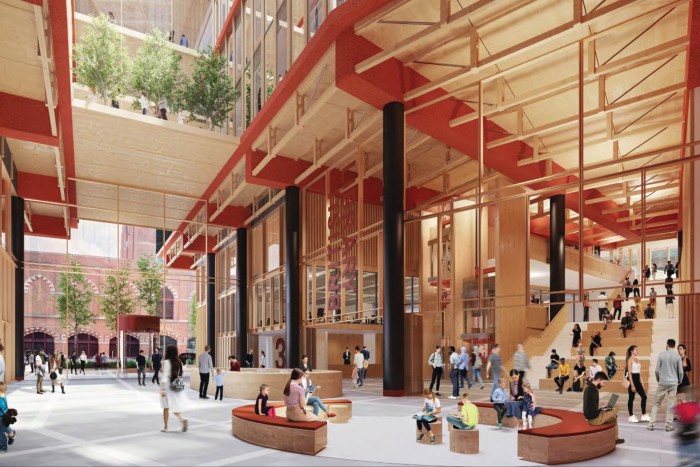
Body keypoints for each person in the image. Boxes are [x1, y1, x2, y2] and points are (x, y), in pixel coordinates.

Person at [648, 339, 684, 432]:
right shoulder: (677, 357)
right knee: (671, 404)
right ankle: (668, 426)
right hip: (673, 383)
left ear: (667, 345)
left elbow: (656, 370)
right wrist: (679, 380)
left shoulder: (661, 355)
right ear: (674, 346)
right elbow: (680, 371)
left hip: (662, 382)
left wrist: (658, 379)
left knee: (656, 403)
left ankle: (651, 425)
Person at [583, 372, 625, 445]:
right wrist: (602, 407)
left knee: (613, 418)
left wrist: (601, 405)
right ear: (599, 380)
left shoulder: (589, 388)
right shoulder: (594, 390)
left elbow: (590, 406)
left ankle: (615, 439)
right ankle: (615, 439)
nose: (603, 385)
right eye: (603, 382)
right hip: (595, 419)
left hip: (590, 417)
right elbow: (593, 410)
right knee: (617, 406)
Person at [160, 345, 188, 432]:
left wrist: (163, 389)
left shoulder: (166, 362)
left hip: (167, 386)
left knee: (166, 407)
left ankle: (166, 427)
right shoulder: (179, 361)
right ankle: (182, 419)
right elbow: (180, 373)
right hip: (176, 385)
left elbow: (164, 376)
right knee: (174, 406)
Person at [626, 345, 649, 423]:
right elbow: (629, 373)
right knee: (631, 398)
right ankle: (631, 416)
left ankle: (644, 415)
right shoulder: (630, 360)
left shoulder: (637, 359)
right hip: (632, 379)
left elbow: (639, 372)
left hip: (638, 379)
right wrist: (632, 385)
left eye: (637, 350)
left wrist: (641, 382)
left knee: (644, 397)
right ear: (631, 351)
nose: (637, 351)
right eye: (636, 350)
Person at [0, 382, 16, 453]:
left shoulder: (0, 400)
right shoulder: (3, 396)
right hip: (4, 416)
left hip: (1, 418)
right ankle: (11, 434)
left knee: (3, 430)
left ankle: (4, 445)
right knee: (2, 430)